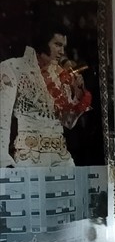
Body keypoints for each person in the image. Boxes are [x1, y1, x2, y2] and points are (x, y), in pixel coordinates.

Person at [0, 25, 93, 167]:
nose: (62, 51)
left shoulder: (60, 74)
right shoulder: (14, 67)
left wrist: (78, 94)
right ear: (43, 42)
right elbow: (2, 118)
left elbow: (68, 122)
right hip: (30, 156)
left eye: (64, 47)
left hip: (61, 157)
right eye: (57, 45)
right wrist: (3, 159)